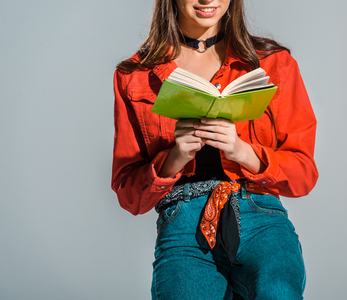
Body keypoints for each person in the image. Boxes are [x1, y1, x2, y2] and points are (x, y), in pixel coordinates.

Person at [111, 0, 318, 299]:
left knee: (278, 291)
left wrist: (243, 152)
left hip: (260, 213)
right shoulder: (134, 75)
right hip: (184, 221)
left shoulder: (275, 63)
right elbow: (129, 194)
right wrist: (175, 157)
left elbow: (304, 174)